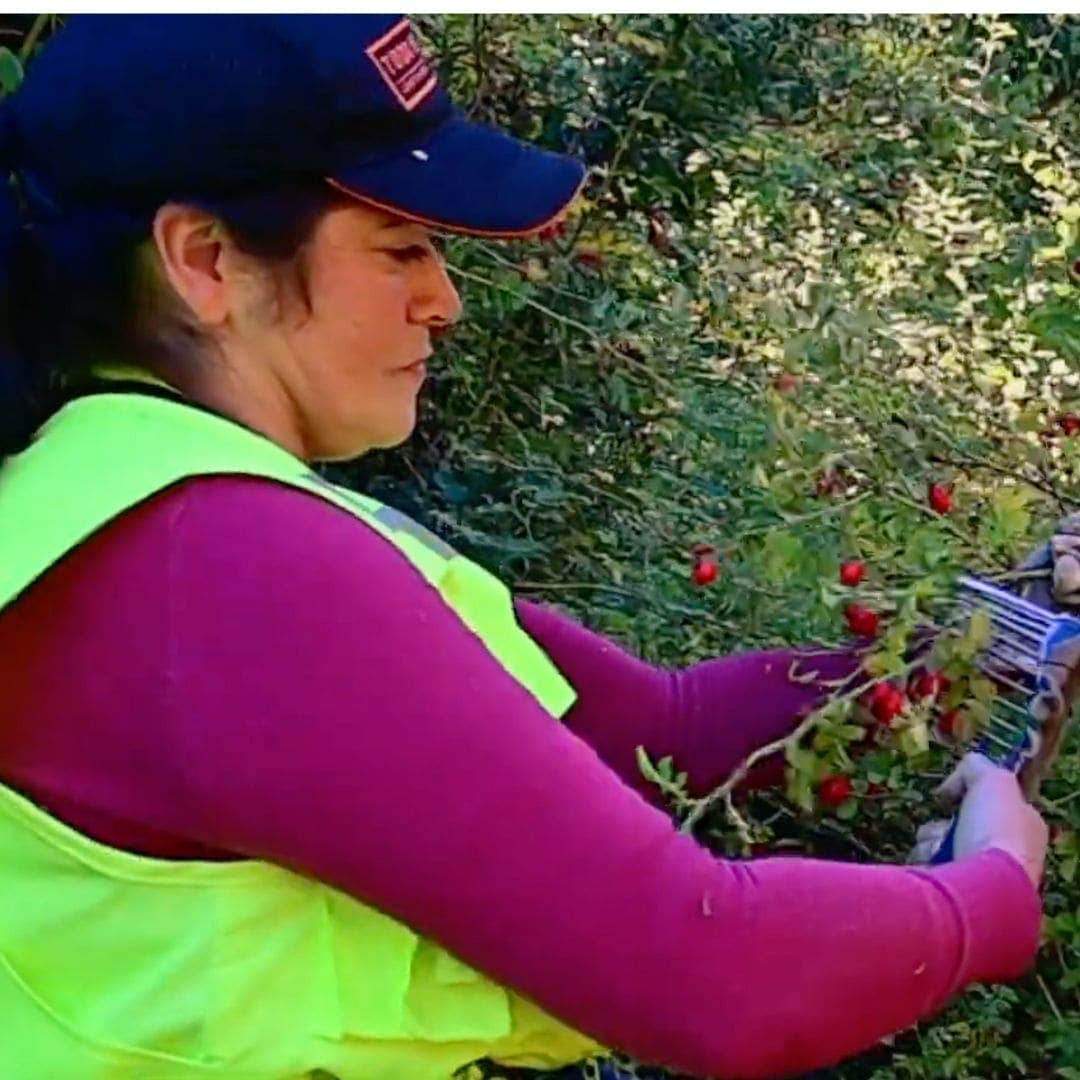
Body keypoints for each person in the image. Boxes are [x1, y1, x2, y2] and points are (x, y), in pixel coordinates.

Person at [0, 14, 1057, 1080]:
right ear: (207, 261)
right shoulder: (224, 562)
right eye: (399, 250)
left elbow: (658, 731)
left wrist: (1000, 649)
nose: (443, 301)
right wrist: (992, 897)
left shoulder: (109, 500)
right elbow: (710, 974)